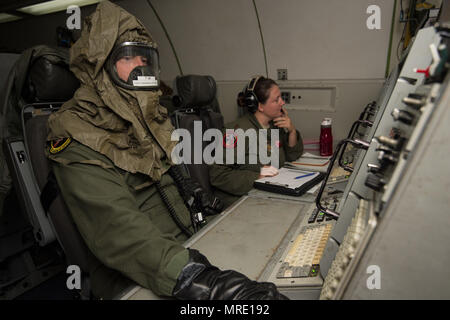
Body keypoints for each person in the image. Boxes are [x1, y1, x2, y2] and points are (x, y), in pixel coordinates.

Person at [45, 1, 287, 300]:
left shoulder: (151, 120)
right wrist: (205, 284)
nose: (141, 66)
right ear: (101, 65)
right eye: (129, 58)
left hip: (192, 243)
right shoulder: (76, 136)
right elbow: (119, 233)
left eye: (145, 58)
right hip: (141, 273)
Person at [209, 76, 304, 207]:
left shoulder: (274, 125)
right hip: (242, 200)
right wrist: (257, 176)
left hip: (269, 193)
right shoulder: (237, 131)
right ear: (260, 106)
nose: (282, 103)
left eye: (281, 97)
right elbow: (218, 175)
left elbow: (292, 155)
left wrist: (291, 131)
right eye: (276, 100)